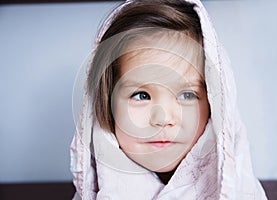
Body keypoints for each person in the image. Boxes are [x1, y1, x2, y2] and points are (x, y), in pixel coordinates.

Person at [70, 0, 267, 199]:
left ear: (214, 106)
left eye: (187, 95)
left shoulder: (240, 191)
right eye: (141, 96)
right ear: (106, 104)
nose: (163, 118)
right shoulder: (93, 192)